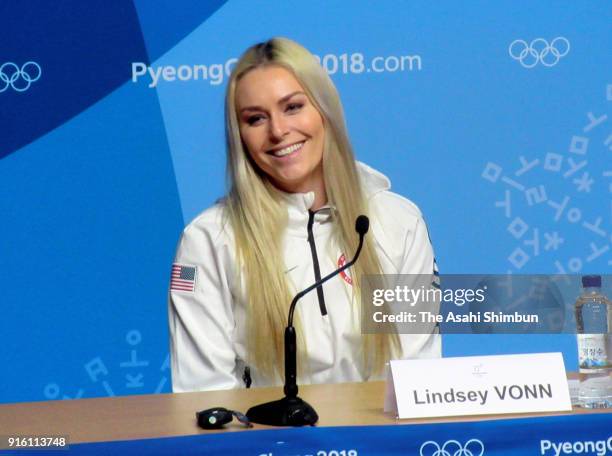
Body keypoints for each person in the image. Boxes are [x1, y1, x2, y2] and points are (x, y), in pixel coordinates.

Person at [168, 37, 440, 393]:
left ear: (325, 111)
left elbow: (418, 380)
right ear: (240, 137)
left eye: (293, 107)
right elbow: (204, 397)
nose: (278, 131)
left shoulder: (400, 222)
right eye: (255, 118)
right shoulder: (207, 241)